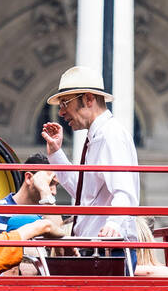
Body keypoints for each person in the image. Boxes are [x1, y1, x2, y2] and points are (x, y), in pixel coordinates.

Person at [40, 65, 139, 263]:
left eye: (65, 103)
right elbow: (84, 192)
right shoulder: (99, 136)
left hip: (107, 248)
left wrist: (113, 226)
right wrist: (56, 153)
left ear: (88, 99)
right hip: (99, 247)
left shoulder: (109, 135)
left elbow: (124, 191)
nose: (61, 112)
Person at [0, 154, 59, 237]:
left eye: (56, 185)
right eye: (50, 183)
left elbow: (60, 238)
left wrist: (45, 192)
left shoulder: (49, 218)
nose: (54, 192)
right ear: (29, 178)